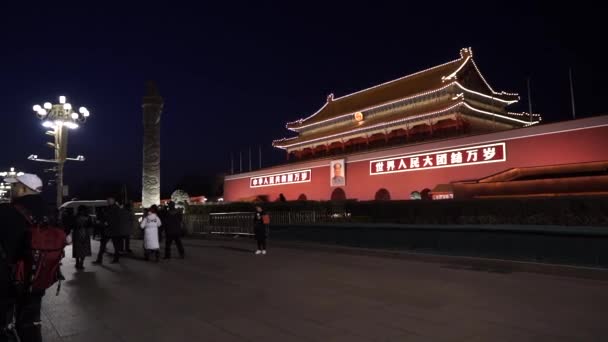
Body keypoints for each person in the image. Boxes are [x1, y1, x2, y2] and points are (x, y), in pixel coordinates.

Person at [0, 173, 47, 342]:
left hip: (8, 280)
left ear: (24, 188)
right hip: (40, 276)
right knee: (29, 322)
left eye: (14, 186)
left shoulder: (6, 211)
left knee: (3, 324)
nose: (12, 189)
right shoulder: (51, 211)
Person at [93, 197, 123, 265]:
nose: (108, 202)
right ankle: (99, 259)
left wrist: (106, 222)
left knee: (114, 245)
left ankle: (115, 259)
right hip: (109, 230)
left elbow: (115, 219)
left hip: (113, 230)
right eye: (108, 201)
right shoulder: (109, 208)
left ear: (113, 201)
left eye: (109, 201)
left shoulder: (116, 208)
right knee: (103, 245)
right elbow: (106, 217)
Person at [69, 206, 92, 270]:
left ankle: (77, 262)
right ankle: (81, 263)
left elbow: (72, 225)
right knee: (84, 249)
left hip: (77, 234)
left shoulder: (75, 217)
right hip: (85, 233)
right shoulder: (88, 217)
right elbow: (90, 225)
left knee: (77, 248)